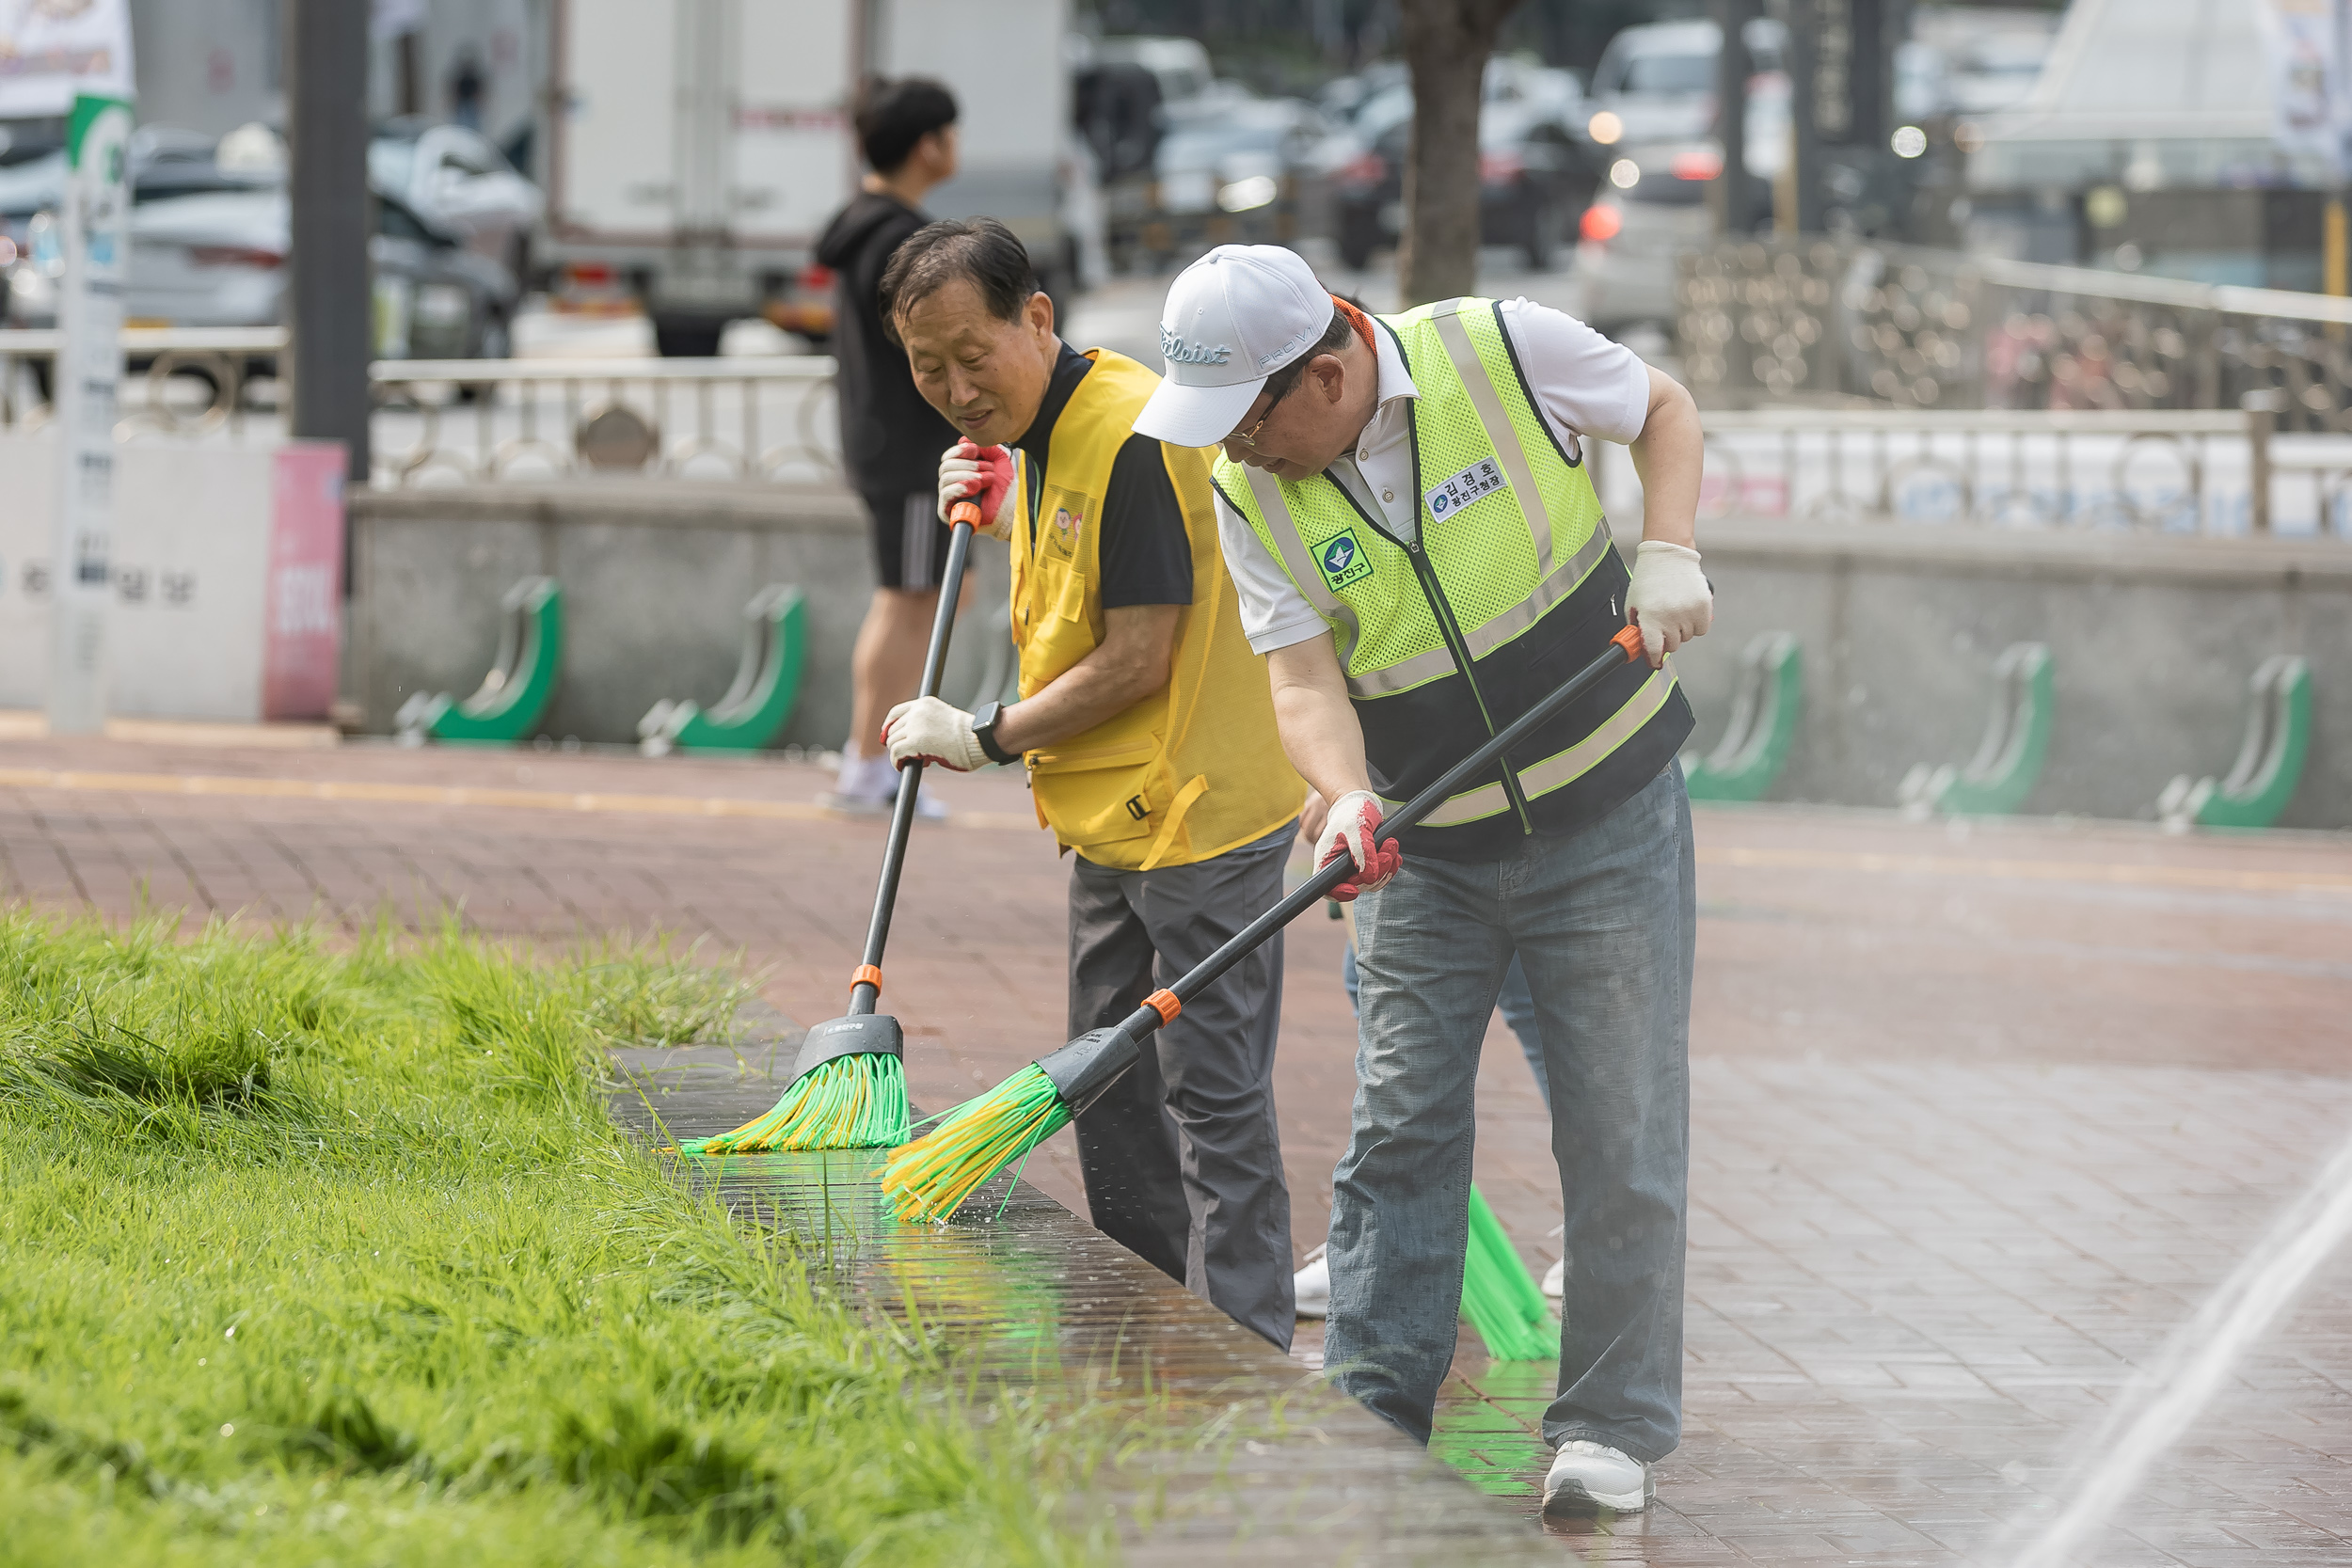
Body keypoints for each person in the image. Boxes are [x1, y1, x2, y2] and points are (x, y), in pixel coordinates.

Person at [1135, 245, 1712, 1513]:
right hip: (1424, 842)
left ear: (1327, 372)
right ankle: (1371, 1410)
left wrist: (1668, 547)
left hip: (1608, 814)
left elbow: (1664, 407)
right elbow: (1301, 679)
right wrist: (1345, 794)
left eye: (1246, 418)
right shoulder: (1255, 491)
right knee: (1398, 1125)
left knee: (1621, 1121)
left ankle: (1610, 1422)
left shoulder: (1501, 349)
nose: (1235, 448)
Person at [875, 219, 1309, 1348]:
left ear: (1038, 317)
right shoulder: (1053, 429)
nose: (957, 388)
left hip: (1199, 812)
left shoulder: (1123, 435)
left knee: (1212, 1101)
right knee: (1107, 1091)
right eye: (929, 369)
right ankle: (1138, 1328)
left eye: (976, 355)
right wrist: (997, 473)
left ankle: (1246, 1354)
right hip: (1112, 815)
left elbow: (1138, 655)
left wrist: (984, 734)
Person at [813, 78, 965, 815]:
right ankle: (871, 764)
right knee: (911, 601)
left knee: (924, 596)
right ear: (928, 144)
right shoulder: (896, 238)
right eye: (950, 133)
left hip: (891, 444)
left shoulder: (862, 225)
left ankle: (871, 762)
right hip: (910, 450)